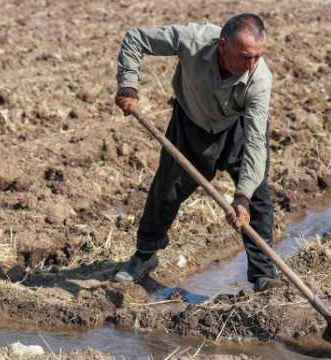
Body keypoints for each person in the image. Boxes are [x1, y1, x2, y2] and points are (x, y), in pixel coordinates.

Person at [114, 13, 283, 292]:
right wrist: (128, 85)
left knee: (257, 198)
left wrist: (242, 196)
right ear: (222, 45)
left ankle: (263, 275)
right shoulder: (193, 40)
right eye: (244, 56)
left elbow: (255, 141)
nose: (251, 64)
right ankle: (144, 256)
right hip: (191, 120)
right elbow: (136, 39)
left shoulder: (259, 79)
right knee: (166, 190)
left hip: (238, 127)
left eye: (257, 56)